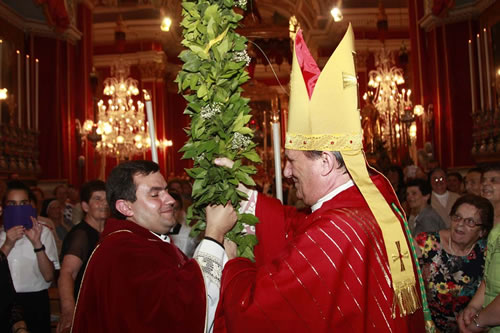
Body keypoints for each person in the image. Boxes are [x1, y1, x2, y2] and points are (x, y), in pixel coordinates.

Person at [213, 25, 425, 332]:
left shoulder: (336, 229)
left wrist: (234, 264)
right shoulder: (367, 205)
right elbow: (299, 226)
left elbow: (258, 309)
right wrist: (251, 200)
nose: (285, 173)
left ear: (325, 161)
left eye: (291, 162)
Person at [72, 160, 237, 332]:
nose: (171, 200)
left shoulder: (149, 242)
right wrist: (215, 233)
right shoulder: (122, 251)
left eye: (166, 191)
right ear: (125, 207)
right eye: (155, 194)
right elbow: (181, 311)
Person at [415, 194, 493, 332]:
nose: (460, 224)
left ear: (482, 231)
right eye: (457, 217)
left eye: (470, 222)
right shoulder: (425, 243)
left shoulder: (488, 253)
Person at [0, 180, 59, 333]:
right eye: (12, 204)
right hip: (4, 301)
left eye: (23, 203)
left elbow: (48, 276)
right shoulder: (0, 235)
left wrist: (37, 244)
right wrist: (8, 244)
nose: (17, 208)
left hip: (35, 301)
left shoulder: (43, 232)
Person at [56, 180, 109, 333]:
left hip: (104, 304)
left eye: (106, 199)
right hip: (87, 306)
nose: (104, 203)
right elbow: (67, 273)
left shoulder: (109, 232)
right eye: (97, 199)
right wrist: (68, 310)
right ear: (85, 206)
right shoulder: (81, 235)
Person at [458, 164, 500, 332]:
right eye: (483, 180)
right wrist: (473, 307)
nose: (485, 184)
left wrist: (479, 321)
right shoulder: (492, 229)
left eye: (494, 180)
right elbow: (488, 279)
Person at [168, 191, 198, 258]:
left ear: (180, 211)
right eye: (169, 208)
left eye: (176, 209)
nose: (172, 212)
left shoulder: (189, 233)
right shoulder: (152, 233)